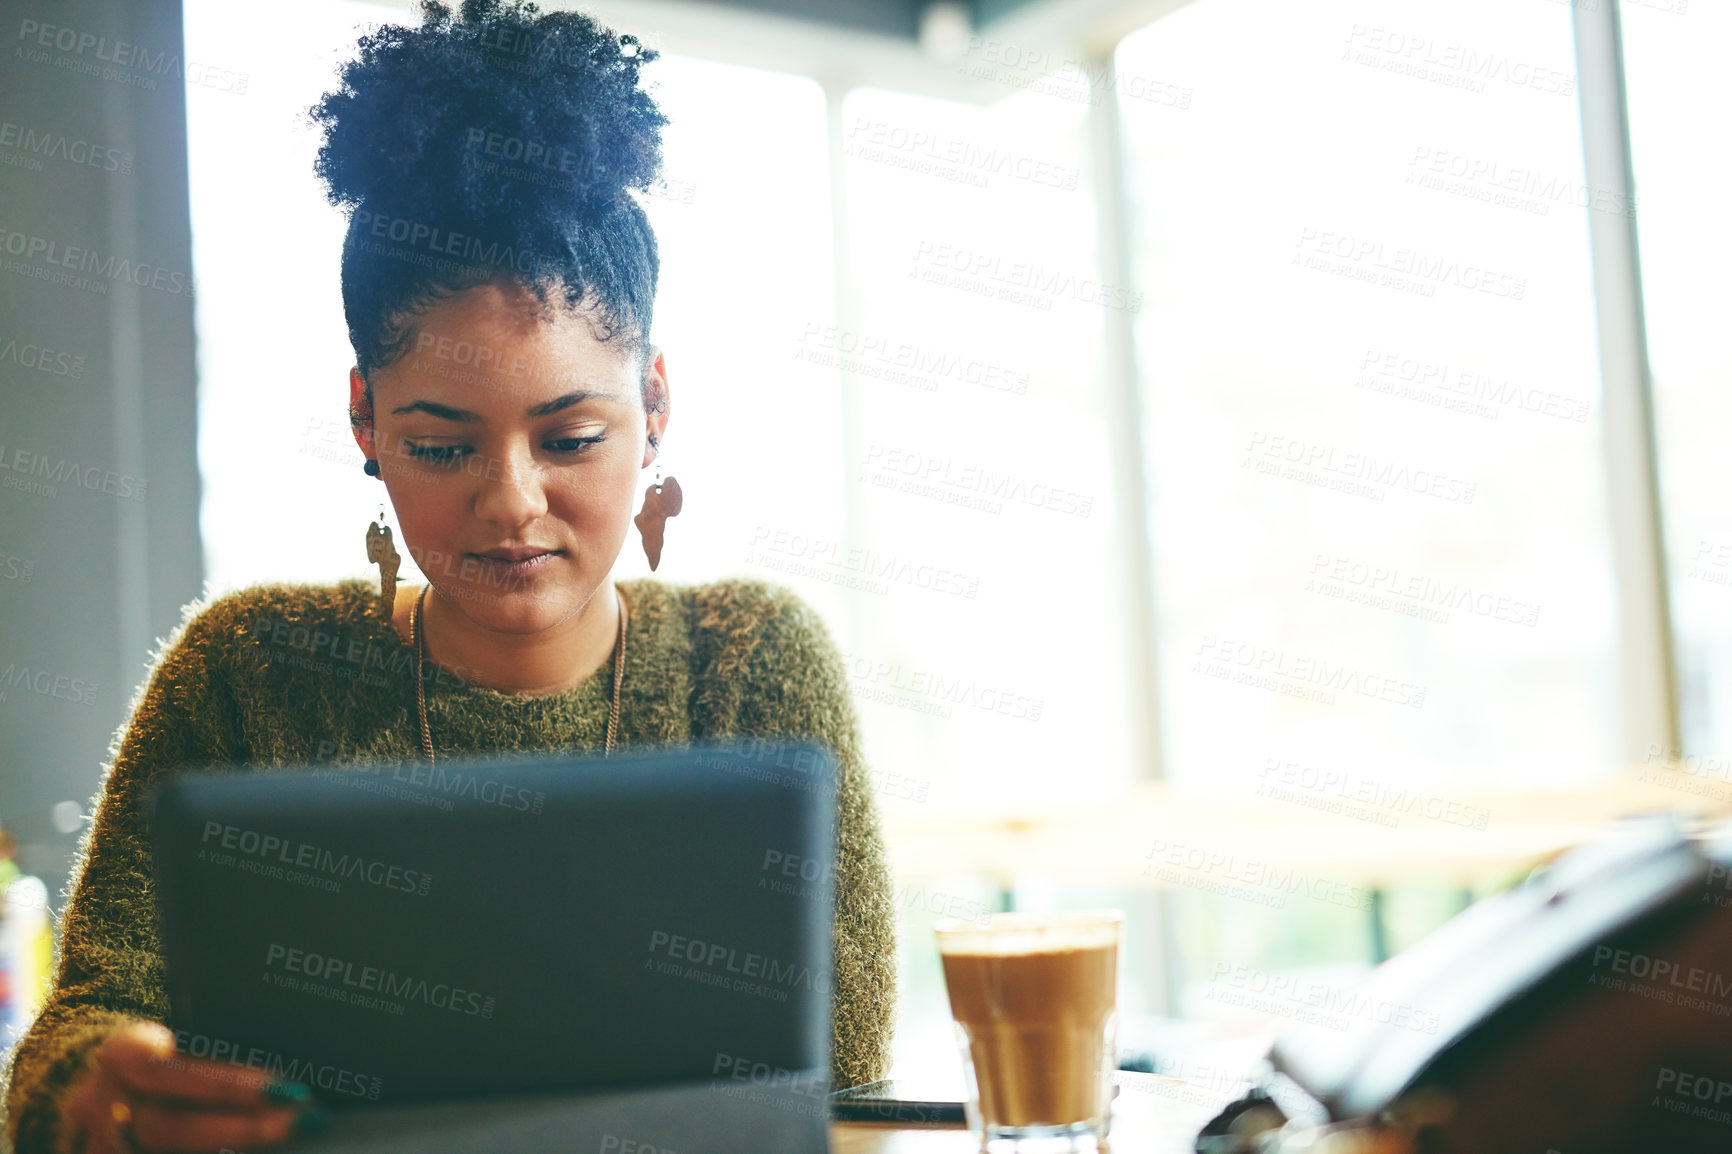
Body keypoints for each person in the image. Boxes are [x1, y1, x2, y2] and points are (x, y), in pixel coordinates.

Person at [0, 2, 898, 1150]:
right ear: (365, 418)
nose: (511, 500)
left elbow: (850, 1085)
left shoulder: (753, 662)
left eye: (570, 437)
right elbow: (69, 1044)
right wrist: (99, 1088)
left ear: (655, 406)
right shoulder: (248, 671)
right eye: (441, 443)